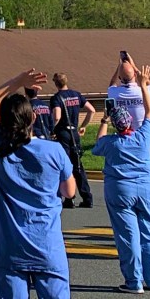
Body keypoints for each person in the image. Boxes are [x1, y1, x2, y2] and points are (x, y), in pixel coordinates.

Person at [0, 68, 75, 299]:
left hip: (9, 247)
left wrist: (17, 80)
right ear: (33, 118)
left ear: (3, 120)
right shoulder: (54, 151)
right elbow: (69, 191)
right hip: (46, 244)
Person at [92, 63, 150, 293]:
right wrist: (143, 85)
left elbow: (96, 146)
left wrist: (104, 122)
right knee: (148, 234)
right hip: (145, 188)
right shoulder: (144, 136)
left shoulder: (110, 143)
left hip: (120, 190)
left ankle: (134, 282)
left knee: (127, 237)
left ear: (116, 124)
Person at [108, 55, 150, 222]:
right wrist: (136, 69)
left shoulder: (115, 93)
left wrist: (119, 67)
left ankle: (131, 214)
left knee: (127, 177)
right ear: (135, 75)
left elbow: (111, 85)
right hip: (144, 137)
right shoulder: (144, 91)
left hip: (124, 138)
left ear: (121, 78)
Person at [49, 72, 94, 207]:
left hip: (63, 134)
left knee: (65, 166)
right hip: (74, 133)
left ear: (56, 83)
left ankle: (69, 197)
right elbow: (91, 110)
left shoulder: (56, 98)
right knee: (78, 166)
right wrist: (83, 126)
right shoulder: (76, 94)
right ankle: (87, 198)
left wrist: (51, 129)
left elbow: (57, 116)